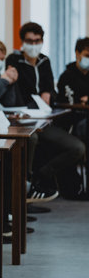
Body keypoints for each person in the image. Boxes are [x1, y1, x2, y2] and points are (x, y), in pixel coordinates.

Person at [6, 22, 85, 200]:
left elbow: (48, 88)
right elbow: (19, 90)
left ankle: (42, 175)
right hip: (21, 120)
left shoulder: (45, 61)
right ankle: (25, 188)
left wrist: (48, 94)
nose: (34, 45)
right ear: (22, 42)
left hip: (45, 119)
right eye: (29, 41)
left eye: (37, 41)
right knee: (30, 139)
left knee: (77, 147)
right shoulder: (14, 60)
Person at [57, 37, 89, 140]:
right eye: (87, 55)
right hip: (73, 122)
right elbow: (70, 102)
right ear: (77, 53)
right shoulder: (66, 76)